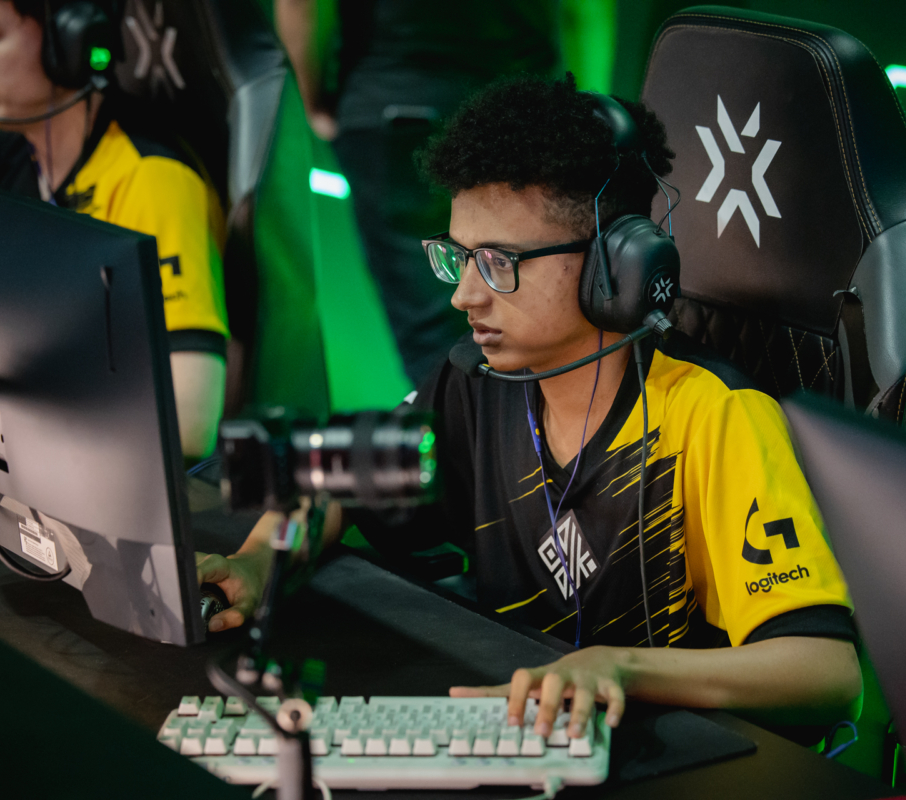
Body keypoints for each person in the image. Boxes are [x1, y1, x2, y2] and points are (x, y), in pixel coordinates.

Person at [196, 75, 862, 740]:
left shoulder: (715, 416)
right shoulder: (479, 380)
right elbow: (331, 485)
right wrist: (258, 561)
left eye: (497, 261)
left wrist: (621, 669)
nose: (464, 296)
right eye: (459, 258)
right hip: (518, 730)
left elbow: (827, 674)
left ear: (614, 266)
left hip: (672, 755)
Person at [0, 0, 229, 458]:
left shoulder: (151, 178)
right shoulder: (14, 157)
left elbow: (189, 420)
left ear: (70, 41)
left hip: (109, 477)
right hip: (30, 449)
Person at [274, 0, 561, 385]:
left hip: (397, 97)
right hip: (520, 99)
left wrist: (308, 100)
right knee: (535, 308)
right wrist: (577, 112)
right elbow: (585, 14)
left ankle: (465, 419)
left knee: (435, 338)